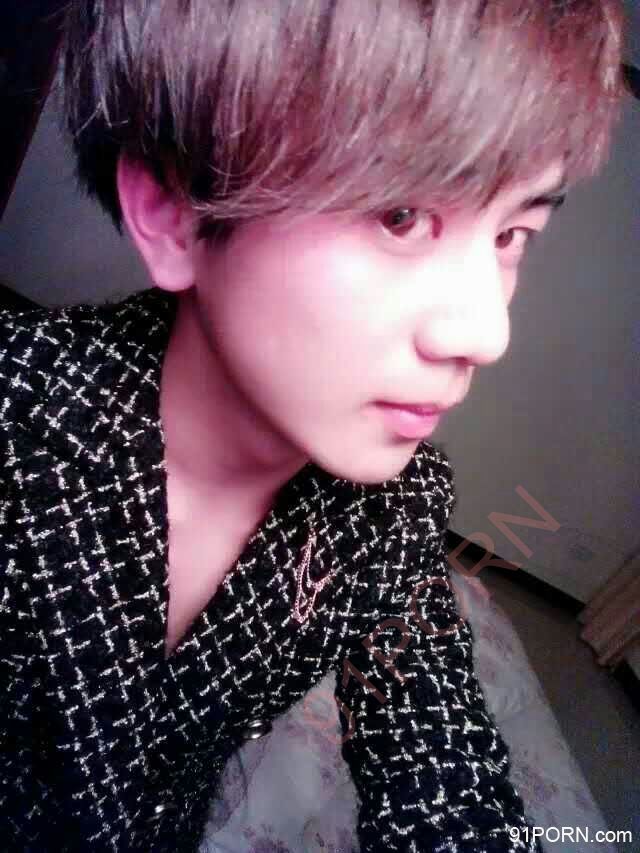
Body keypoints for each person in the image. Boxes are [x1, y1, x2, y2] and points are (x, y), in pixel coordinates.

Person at [0, 1, 626, 851]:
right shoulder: (20, 419)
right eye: (400, 216)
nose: (487, 331)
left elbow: (445, 772)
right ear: (173, 210)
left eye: (514, 232)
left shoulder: (393, 512)